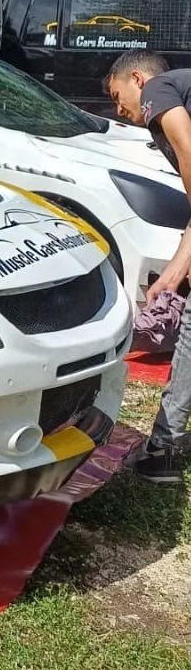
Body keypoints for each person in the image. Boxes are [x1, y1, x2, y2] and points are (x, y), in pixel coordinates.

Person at [105, 50, 191, 482]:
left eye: (117, 96)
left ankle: (163, 449)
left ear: (137, 79)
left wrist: (178, 271)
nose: (119, 110)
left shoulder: (160, 89)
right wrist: (177, 269)